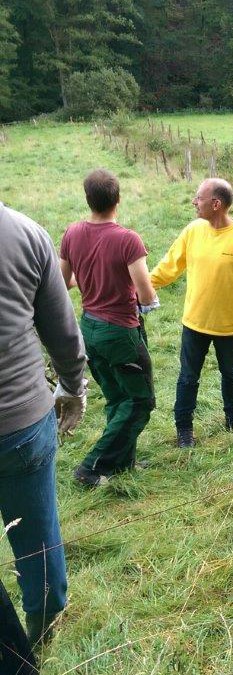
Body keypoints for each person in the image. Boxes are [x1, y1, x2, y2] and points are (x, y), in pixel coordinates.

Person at [0, 201, 86, 646]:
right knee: (38, 534)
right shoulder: (24, 231)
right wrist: (73, 387)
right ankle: (43, 626)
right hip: (20, 421)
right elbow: (62, 330)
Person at [60, 169, 158, 487]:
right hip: (119, 331)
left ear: (88, 199)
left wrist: (88, 280)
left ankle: (122, 463)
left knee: (118, 397)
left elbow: (64, 282)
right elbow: (145, 293)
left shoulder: (72, 233)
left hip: (88, 328)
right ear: (118, 198)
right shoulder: (127, 239)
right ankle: (91, 468)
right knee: (141, 400)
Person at [151, 178, 233, 448]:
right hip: (195, 323)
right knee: (188, 377)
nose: (194, 202)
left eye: (198, 197)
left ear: (216, 204)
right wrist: (142, 286)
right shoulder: (193, 231)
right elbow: (169, 266)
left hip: (230, 327)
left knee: (232, 374)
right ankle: (184, 429)